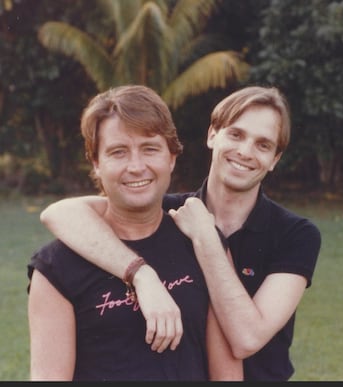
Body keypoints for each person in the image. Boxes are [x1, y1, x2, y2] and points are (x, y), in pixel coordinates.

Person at [40, 85, 322, 381]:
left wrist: (206, 237)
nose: (245, 152)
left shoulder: (295, 234)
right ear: (213, 135)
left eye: (263, 145)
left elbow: (246, 339)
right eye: (236, 135)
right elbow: (59, 213)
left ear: (275, 159)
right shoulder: (167, 211)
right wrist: (141, 275)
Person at [27, 85, 242, 381]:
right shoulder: (56, 266)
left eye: (150, 148)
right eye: (118, 152)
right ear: (96, 163)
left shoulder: (203, 240)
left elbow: (228, 375)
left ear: (171, 157)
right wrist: (142, 276)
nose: (136, 167)